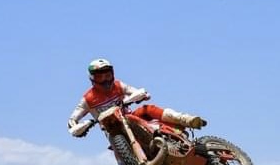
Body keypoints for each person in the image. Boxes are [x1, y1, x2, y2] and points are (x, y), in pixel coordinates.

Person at [67, 58, 206, 135]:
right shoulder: (88, 99)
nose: (105, 80)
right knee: (123, 164)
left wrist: (141, 95)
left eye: (107, 75)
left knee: (148, 109)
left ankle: (185, 119)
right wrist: (78, 128)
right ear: (92, 78)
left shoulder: (118, 85)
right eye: (100, 77)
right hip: (112, 130)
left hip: (130, 117)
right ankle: (128, 161)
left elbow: (135, 91)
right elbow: (72, 120)